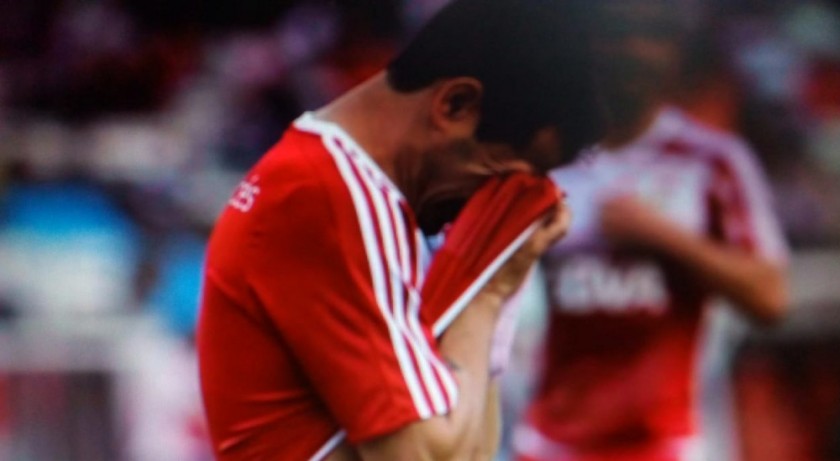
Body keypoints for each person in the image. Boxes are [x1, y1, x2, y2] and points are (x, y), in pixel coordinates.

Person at [196, 1, 603, 460]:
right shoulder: (331, 195)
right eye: (512, 174)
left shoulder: (367, 197)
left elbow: (473, 450)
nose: (508, 199)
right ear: (455, 104)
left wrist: (496, 274)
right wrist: (486, 292)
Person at [513, 2, 790, 461]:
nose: (633, 51)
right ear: (590, 45)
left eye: (651, 35)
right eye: (617, 33)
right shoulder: (543, 158)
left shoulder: (713, 161)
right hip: (548, 442)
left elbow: (771, 297)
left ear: (676, 52)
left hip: (664, 444)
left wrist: (663, 237)